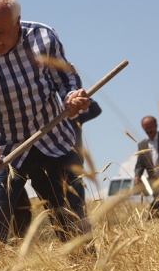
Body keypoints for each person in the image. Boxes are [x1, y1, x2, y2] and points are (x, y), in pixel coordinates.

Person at [0, 0, 92, 252]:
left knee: (72, 220)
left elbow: (66, 78)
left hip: (54, 141)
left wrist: (72, 96)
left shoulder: (43, 37)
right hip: (5, 151)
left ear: (17, 23)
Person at [12, 98, 102, 239]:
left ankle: (82, 243)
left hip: (74, 167)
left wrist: (80, 99)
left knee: (77, 207)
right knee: (58, 205)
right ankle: (67, 239)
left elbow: (96, 109)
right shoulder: (52, 121)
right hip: (54, 167)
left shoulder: (75, 118)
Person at [133, 116, 159, 218]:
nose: (149, 129)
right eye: (146, 127)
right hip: (154, 180)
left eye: (151, 126)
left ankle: (150, 220)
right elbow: (140, 164)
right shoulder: (142, 145)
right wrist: (137, 175)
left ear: (156, 126)